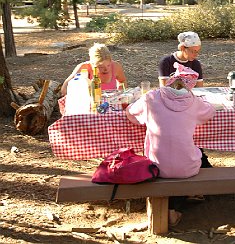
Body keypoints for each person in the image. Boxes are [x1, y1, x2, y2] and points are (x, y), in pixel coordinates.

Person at [126, 63, 215, 227]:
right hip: (187, 168)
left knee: (173, 159)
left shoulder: (151, 97)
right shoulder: (194, 101)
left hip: (154, 167)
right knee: (191, 157)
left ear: (170, 82)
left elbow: (131, 114)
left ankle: (173, 208)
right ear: (189, 87)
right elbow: (210, 112)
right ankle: (183, 201)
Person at [61, 43, 127, 96]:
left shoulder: (115, 66)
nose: (106, 69)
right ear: (92, 64)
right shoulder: (84, 68)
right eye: (101, 67)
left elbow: (122, 81)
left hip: (111, 103)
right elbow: (64, 90)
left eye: (108, 65)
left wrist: (120, 93)